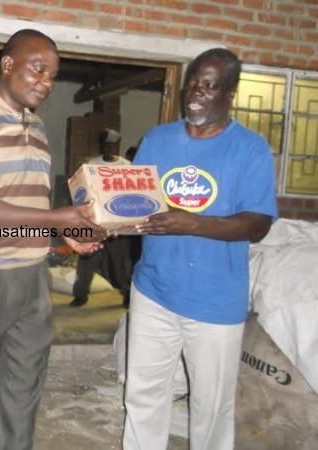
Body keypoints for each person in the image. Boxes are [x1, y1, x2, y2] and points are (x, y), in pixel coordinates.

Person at [0, 29, 105, 450]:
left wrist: (65, 236)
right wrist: (53, 220)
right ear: (7, 64)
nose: (46, 83)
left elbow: (23, 211)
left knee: (21, 390)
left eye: (53, 76)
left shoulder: (39, 127)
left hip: (31, 277)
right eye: (38, 70)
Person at [122, 48, 278, 450]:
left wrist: (191, 223)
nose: (197, 92)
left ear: (231, 93)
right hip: (153, 292)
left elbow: (258, 224)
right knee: (143, 396)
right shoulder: (156, 140)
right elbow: (135, 203)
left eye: (209, 86)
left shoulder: (250, 148)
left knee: (211, 409)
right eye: (193, 82)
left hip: (215, 303)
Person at [70, 128, 133, 307]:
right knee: (87, 260)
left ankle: (127, 293)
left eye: (112, 145)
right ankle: (80, 294)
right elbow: (84, 191)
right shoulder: (91, 165)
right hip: (95, 222)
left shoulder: (126, 166)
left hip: (118, 223)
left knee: (120, 263)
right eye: (105, 144)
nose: (108, 148)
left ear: (118, 145)